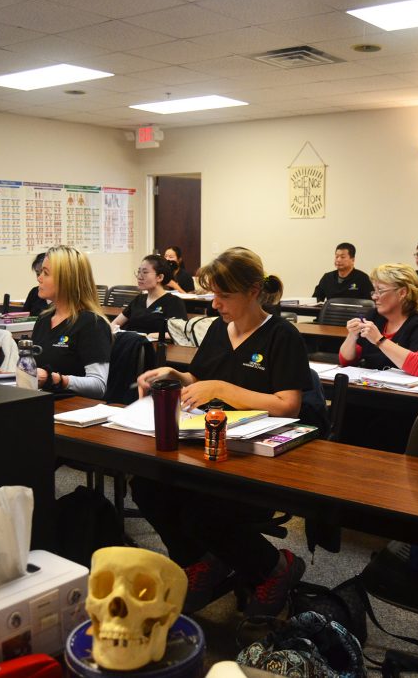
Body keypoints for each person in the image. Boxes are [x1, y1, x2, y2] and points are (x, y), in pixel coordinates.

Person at [131, 247, 310, 617]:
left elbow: (288, 404)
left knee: (202, 506)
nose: (216, 304)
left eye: (224, 295)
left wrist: (222, 390)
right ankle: (201, 560)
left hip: (257, 456)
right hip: (208, 443)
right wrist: (175, 376)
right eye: (213, 294)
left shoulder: (281, 335)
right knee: (147, 486)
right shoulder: (217, 330)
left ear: (253, 290)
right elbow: (200, 377)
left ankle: (275, 567)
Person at [0, 246, 111, 397]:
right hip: (41, 400)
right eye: (40, 272)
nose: (39, 278)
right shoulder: (44, 319)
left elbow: (99, 385)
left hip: (71, 406)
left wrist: (56, 379)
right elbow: (36, 374)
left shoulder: (92, 324)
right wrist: (0, 374)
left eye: (45, 273)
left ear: (66, 280)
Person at [339, 263, 418, 376]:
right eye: (374, 291)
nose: (374, 296)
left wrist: (379, 340)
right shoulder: (373, 316)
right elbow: (346, 361)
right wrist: (352, 336)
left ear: (402, 293)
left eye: (380, 291)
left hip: (401, 392)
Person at [111, 254, 187, 335]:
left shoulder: (174, 302)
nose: (139, 277)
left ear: (160, 277)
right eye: (138, 272)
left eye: (145, 272)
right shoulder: (139, 299)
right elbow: (115, 323)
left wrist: (151, 336)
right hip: (133, 344)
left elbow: (179, 333)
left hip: (156, 346)